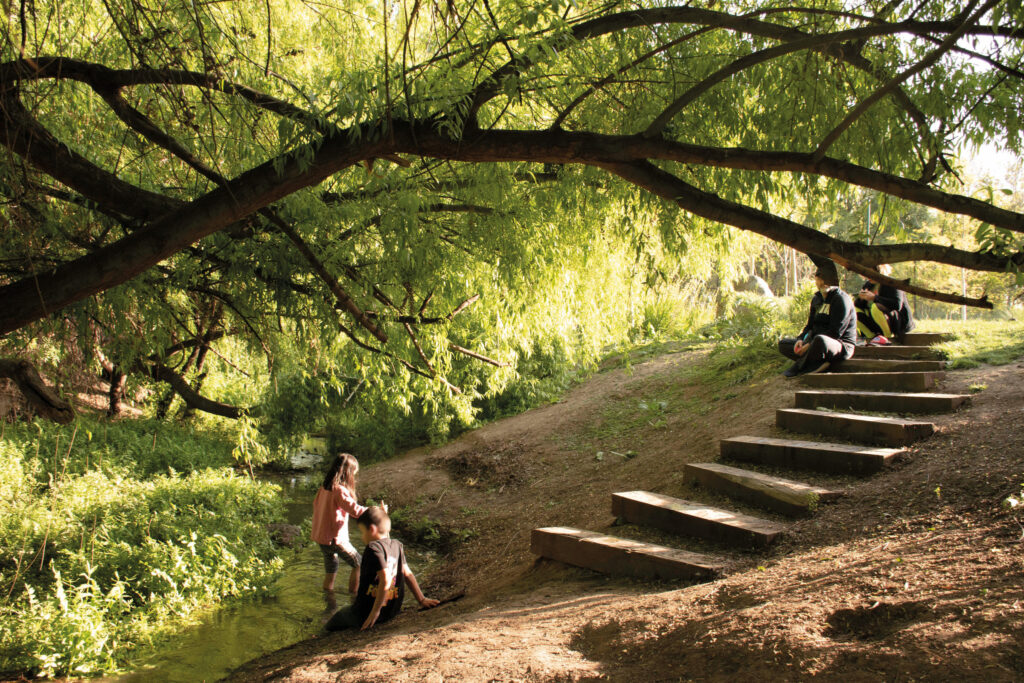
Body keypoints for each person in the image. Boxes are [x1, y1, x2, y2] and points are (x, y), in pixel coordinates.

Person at [324, 507, 440, 631]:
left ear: (372, 530)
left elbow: (385, 579)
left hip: (365, 613)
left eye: (363, 532)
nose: (363, 537)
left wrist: (375, 612)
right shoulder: (397, 545)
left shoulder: (373, 548)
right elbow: (408, 574)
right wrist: (422, 599)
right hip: (391, 611)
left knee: (334, 621)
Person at [778, 266, 857, 377]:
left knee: (820, 340)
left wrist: (810, 345)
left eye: (828, 279)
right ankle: (819, 362)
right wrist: (801, 340)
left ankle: (799, 367)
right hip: (814, 343)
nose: (824, 282)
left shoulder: (841, 299)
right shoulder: (816, 299)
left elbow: (836, 333)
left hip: (839, 345)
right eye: (821, 279)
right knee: (783, 344)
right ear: (816, 279)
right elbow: (809, 326)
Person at [312, 453, 367, 594]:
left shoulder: (324, 488)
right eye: (354, 473)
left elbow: (316, 507)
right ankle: (354, 597)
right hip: (336, 540)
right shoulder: (339, 490)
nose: (354, 477)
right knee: (359, 564)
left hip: (322, 539)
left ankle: (329, 601)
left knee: (331, 571)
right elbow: (355, 511)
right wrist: (375, 510)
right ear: (348, 473)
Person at [856, 264, 915, 344]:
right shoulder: (868, 285)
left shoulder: (892, 283)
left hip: (895, 322)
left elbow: (897, 305)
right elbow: (860, 306)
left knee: (875, 307)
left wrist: (874, 298)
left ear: (879, 271)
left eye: (870, 273)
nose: (867, 276)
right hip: (876, 323)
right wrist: (861, 298)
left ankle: (888, 338)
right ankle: (871, 337)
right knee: (853, 311)